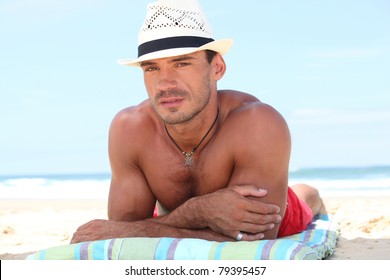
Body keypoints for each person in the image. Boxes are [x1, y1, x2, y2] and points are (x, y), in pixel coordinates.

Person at [71, 0, 326, 244]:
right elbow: (123, 229)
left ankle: (309, 196)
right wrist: (197, 213)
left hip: (280, 211)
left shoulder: (257, 123)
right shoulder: (130, 128)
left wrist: (184, 215)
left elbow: (255, 237)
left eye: (181, 63)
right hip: (172, 221)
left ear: (217, 68)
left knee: (304, 200)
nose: (164, 83)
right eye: (151, 68)